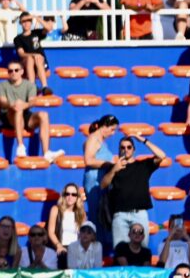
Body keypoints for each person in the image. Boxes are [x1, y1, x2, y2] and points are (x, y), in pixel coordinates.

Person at [100, 133, 167, 245]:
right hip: (120, 215)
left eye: (129, 147)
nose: (125, 150)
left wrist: (143, 140)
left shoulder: (143, 165)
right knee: (120, 251)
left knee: (142, 250)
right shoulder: (113, 168)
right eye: (122, 147)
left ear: (134, 150)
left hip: (139, 214)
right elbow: (103, 185)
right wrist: (114, 170)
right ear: (119, 150)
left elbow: (162, 156)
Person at [0, 61, 65, 161]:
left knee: (43, 115)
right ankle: (20, 146)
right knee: (17, 109)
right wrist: (14, 105)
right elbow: (3, 102)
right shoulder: (2, 85)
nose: (13, 73)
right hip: (8, 115)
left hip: (24, 113)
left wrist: (23, 105)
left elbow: (32, 101)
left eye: (16, 70)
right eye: (10, 71)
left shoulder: (30, 85)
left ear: (21, 71)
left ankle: (46, 152)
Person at [83, 114, 120, 243]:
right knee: (96, 215)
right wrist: (110, 164)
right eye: (112, 129)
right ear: (105, 126)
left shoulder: (101, 141)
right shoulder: (93, 139)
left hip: (101, 181)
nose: (113, 133)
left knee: (103, 215)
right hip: (94, 181)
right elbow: (88, 160)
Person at [47, 183, 86, 269]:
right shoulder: (56, 209)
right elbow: (51, 232)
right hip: (61, 247)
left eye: (73, 194)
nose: (70, 197)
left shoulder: (81, 213)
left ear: (77, 197)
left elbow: (84, 234)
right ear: (63, 195)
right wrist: (58, 245)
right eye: (67, 194)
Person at [13, 11, 50, 93]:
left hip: (39, 62)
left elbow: (48, 28)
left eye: (28, 21)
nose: (26, 23)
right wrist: (34, 55)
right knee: (30, 58)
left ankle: (44, 86)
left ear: (31, 22)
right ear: (20, 23)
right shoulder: (18, 38)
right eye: (23, 21)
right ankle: (32, 86)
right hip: (26, 64)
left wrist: (36, 17)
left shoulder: (36, 33)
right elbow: (21, 53)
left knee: (38, 58)